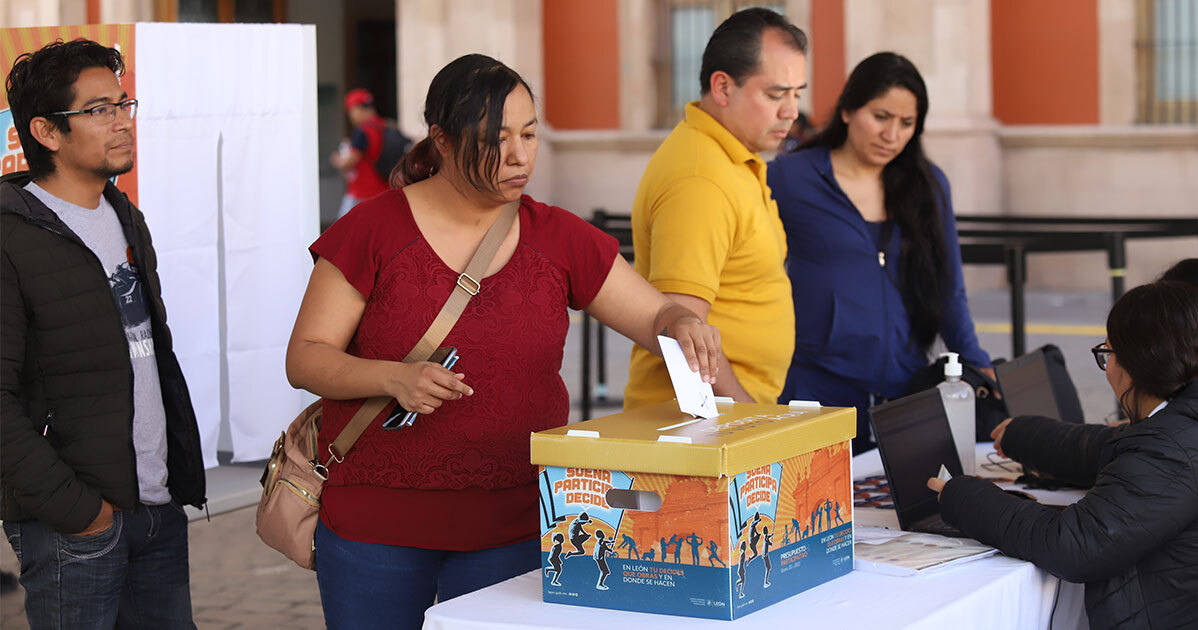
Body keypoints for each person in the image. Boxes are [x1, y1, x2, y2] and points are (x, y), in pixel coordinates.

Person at [284, 53, 722, 630]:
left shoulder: (556, 236)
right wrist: (392, 377)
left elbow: (653, 314)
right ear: (440, 140)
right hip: (377, 530)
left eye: (530, 134)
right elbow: (306, 357)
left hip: (516, 526)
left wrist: (678, 322)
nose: (519, 155)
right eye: (496, 139)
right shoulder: (373, 229)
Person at [1, 39, 206, 628]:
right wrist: (80, 510)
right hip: (76, 523)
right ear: (46, 131)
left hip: (156, 507)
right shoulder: (11, 234)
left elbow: (150, 355)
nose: (121, 122)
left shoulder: (123, 216)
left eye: (123, 104)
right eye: (98, 110)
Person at [928, 280, 1198, 629]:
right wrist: (1022, 435)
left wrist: (962, 496)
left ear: (1137, 364)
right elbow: (1107, 448)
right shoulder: (1180, 421)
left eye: (1109, 353)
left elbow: (1074, 545)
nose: (1108, 369)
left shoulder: (1171, 449)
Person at [767, 52, 991, 453]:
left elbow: (949, 290)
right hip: (815, 392)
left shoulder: (928, 185)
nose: (893, 135)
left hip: (904, 396)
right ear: (849, 109)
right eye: (882, 116)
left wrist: (978, 366)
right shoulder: (791, 178)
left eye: (907, 123)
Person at [624, 8, 808, 408]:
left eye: (797, 94)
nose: (791, 111)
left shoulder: (732, 157)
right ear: (722, 87)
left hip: (720, 421)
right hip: (699, 428)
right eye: (776, 94)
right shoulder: (701, 179)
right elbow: (682, 329)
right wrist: (749, 416)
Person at [330, 88, 392, 218]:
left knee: (344, 231)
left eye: (351, 111)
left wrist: (338, 160)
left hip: (362, 192)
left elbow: (350, 161)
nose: (350, 116)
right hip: (384, 190)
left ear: (358, 108)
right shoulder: (386, 126)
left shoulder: (363, 131)